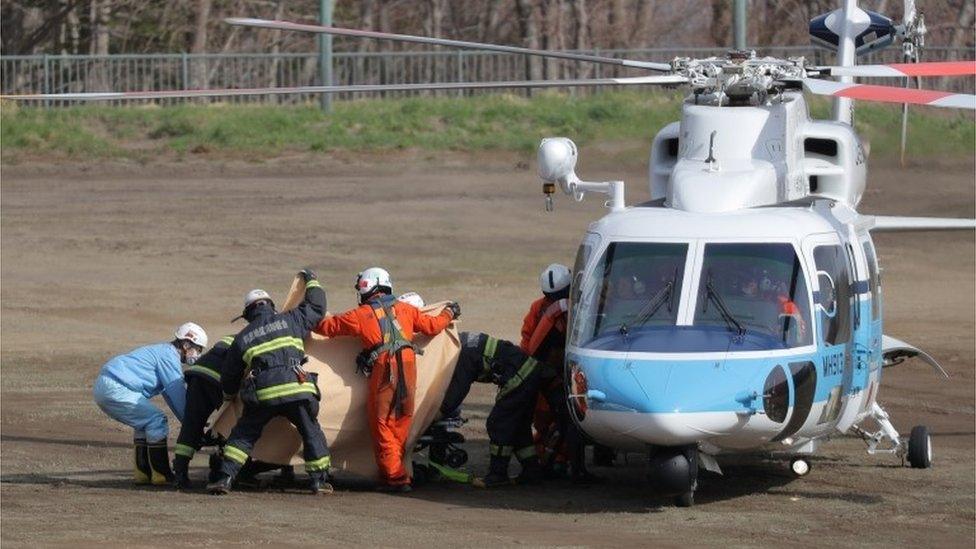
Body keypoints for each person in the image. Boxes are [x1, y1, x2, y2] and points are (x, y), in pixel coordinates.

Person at [315, 267, 458, 492]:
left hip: (386, 369)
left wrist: (306, 314)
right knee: (402, 418)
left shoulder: (360, 315)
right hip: (409, 366)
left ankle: (395, 477)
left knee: (382, 423)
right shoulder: (406, 309)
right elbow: (433, 326)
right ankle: (395, 469)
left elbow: (327, 327)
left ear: (367, 286)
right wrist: (449, 313)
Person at [207, 270, 333, 495]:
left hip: (262, 392)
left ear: (248, 314)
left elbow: (230, 376)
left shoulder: (243, 338)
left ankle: (225, 479)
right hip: (296, 386)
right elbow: (316, 308)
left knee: (244, 435)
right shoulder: (291, 319)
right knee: (311, 431)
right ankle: (319, 481)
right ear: (270, 306)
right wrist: (312, 280)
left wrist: (228, 396)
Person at [93, 322, 208, 486]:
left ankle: (143, 474)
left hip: (106, 385)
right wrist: (193, 424)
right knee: (156, 420)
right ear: (186, 344)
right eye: (197, 349)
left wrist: (188, 421)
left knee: (143, 425)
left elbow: (170, 395)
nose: (197, 354)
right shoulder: (169, 356)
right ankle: (162, 475)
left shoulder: (163, 352)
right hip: (116, 387)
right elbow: (177, 393)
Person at [440, 331, 556, 488]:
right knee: (519, 427)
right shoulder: (463, 340)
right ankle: (532, 472)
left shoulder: (461, 356)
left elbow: (456, 393)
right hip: (528, 371)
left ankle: (497, 474)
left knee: (498, 425)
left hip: (519, 376)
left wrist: (437, 413)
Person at [171, 334, 234, 490]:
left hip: (197, 374)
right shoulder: (263, 339)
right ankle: (220, 471)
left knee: (191, 424)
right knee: (232, 423)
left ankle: (180, 474)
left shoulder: (234, 336)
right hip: (218, 379)